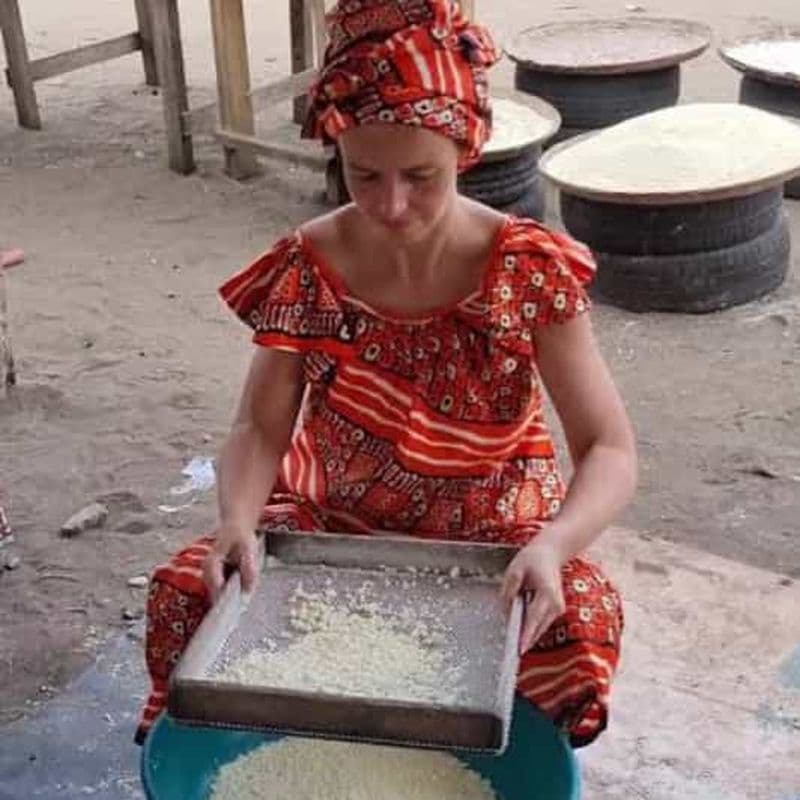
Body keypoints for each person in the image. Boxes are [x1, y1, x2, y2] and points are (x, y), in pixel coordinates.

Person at [136, 0, 636, 749]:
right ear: (334, 145)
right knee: (187, 594)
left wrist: (554, 548)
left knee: (579, 623)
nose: (392, 205)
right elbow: (260, 425)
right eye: (364, 175)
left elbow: (609, 448)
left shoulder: (524, 266)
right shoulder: (310, 265)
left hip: (495, 539)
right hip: (332, 528)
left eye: (421, 177)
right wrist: (239, 520)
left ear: (467, 146)